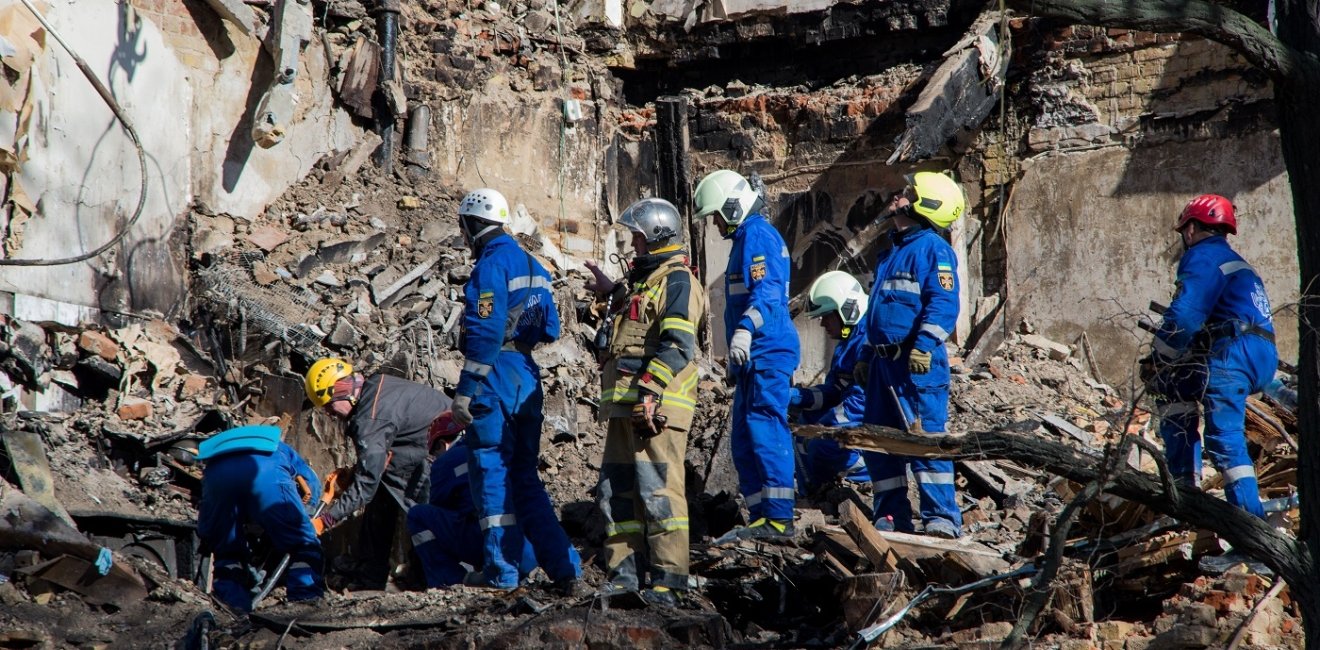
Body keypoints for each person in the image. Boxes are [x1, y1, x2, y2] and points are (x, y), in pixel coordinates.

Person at [451, 188, 583, 594]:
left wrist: (466, 389)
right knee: (525, 477)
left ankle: (501, 573)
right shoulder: (534, 263)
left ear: (473, 225)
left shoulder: (491, 264)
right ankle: (565, 568)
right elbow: (551, 329)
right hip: (527, 373)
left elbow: (486, 332)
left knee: (491, 470)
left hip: (495, 376)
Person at [585, 197, 707, 606]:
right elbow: (639, 315)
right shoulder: (647, 280)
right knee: (616, 489)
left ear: (656, 237)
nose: (633, 245)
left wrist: (651, 391)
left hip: (656, 407)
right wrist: (612, 290)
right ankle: (624, 576)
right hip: (626, 404)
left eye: (637, 237)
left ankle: (669, 582)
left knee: (659, 492)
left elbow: (678, 345)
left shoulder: (678, 281)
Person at [1144, 194, 1277, 520]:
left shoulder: (1203, 256)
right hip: (1259, 354)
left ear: (1190, 229)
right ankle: (1184, 497)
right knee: (1174, 388)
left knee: (1224, 439)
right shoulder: (1236, 261)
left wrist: (1159, 356)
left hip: (1232, 355)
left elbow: (1186, 315)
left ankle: (1252, 531)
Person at [854, 171, 965, 539]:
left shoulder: (934, 250)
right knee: (878, 441)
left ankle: (941, 519)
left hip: (915, 366)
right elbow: (879, 313)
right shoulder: (892, 250)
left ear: (924, 206)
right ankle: (890, 515)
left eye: (907, 194)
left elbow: (944, 305)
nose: (898, 197)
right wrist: (866, 354)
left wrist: (924, 345)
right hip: (883, 367)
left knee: (926, 440)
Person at [693, 169, 800, 541]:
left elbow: (768, 292)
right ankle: (760, 516)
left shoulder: (757, 235)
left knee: (766, 428)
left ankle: (778, 517)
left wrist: (744, 330)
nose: (715, 224)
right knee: (743, 437)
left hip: (768, 349)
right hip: (754, 356)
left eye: (716, 215)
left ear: (733, 207)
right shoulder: (743, 239)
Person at [304, 357, 449, 589]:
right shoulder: (377, 387)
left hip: (443, 457)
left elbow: (366, 485)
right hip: (429, 446)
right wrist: (356, 471)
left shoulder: (369, 419)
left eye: (330, 406)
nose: (331, 414)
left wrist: (326, 519)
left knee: (426, 519)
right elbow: (381, 454)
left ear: (343, 391)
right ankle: (372, 575)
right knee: (382, 496)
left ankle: (433, 583)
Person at [196, 424, 323, 613]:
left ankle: (232, 608)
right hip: (266, 472)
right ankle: (304, 603)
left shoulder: (220, 454)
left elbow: (209, 525)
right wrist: (306, 518)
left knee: (227, 553)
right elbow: (311, 486)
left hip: (217, 476)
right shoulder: (283, 450)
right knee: (303, 545)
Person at [406, 412, 538, 588]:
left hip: (488, 543)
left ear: (441, 444)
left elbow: (441, 509)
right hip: (530, 551)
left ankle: (449, 580)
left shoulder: (446, 461)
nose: (434, 459)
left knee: (418, 515)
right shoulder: (504, 448)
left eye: (434, 453)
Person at [790, 271, 871, 493]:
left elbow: (860, 402)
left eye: (827, 316)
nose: (823, 323)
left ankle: (870, 475)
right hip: (854, 417)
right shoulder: (847, 342)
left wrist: (823, 427)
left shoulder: (866, 341)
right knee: (802, 428)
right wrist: (800, 398)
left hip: (873, 421)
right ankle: (814, 496)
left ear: (847, 310)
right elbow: (835, 391)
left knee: (821, 444)